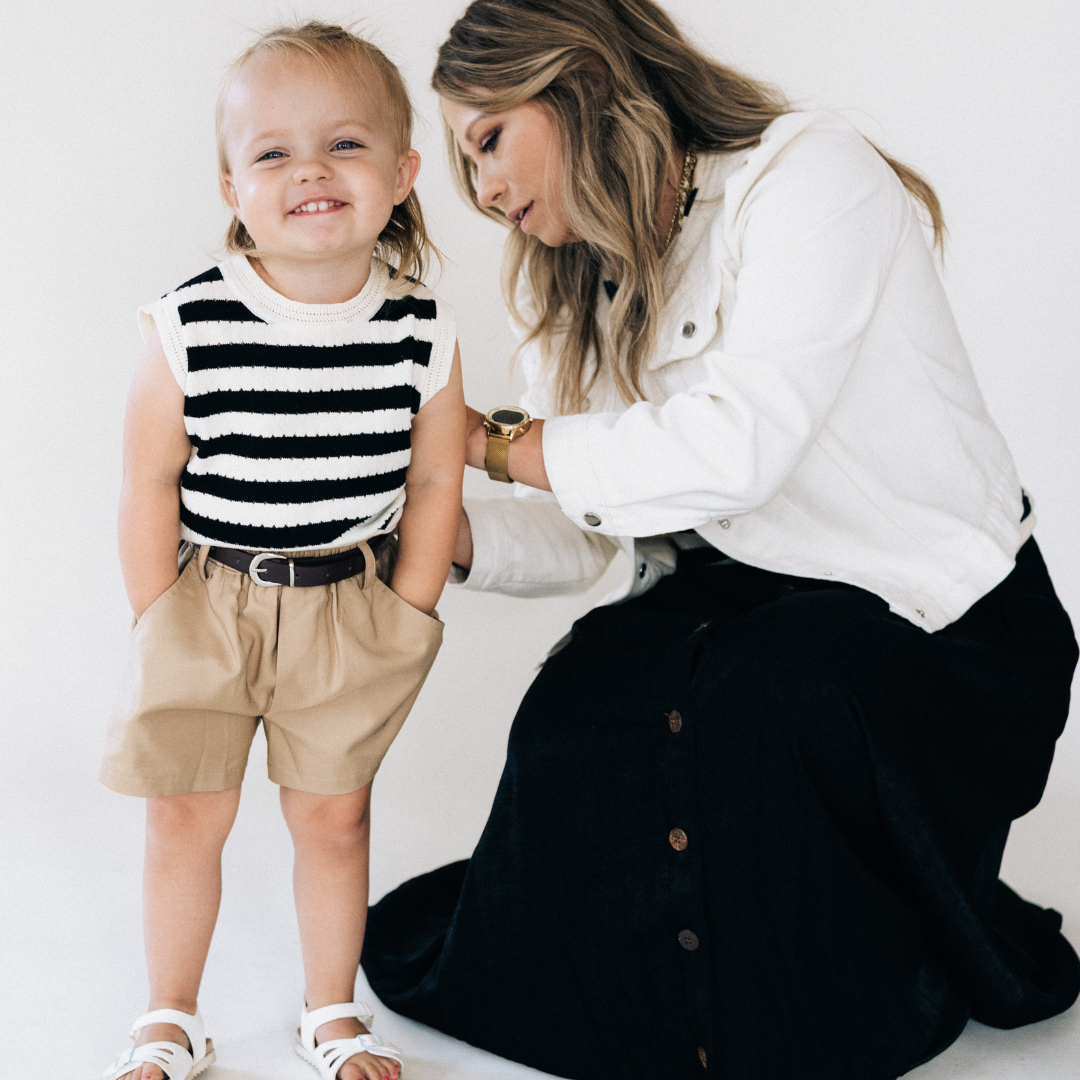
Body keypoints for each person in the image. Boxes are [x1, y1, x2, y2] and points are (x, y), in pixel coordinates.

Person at [359, 2, 1080, 1078]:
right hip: (738, 598)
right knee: (577, 707)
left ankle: (821, 1002)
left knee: (768, 694)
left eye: (490, 142)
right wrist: (426, 525)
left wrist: (483, 438)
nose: (488, 195)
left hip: (940, 620)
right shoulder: (582, 280)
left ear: (579, 79)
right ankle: (657, 1005)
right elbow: (590, 533)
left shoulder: (810, 176)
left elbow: (737, 449)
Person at [98, 22, 465, 1080]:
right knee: (186, 814)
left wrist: (410, 609)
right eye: (273, 152)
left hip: (349, 604)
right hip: (207, 594)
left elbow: (435, 479)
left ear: (400, 174)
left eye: (345, 145)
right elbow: (147, 479)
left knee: (334, 817)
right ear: (231, 186)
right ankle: (171, 1012)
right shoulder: (189, 323)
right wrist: (156, 612)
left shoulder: (420, 330)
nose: (310, 168)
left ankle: (329, 1011)